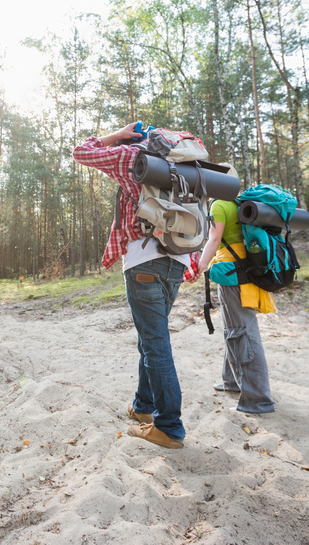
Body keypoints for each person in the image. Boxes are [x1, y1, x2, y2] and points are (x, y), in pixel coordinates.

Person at [72, 123, 201, 449]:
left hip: (144, 261)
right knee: (151, 339)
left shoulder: (131, 156)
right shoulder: (187, 168)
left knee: (156, 344)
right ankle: (144, 407)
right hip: (179, 261)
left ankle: (169, 426)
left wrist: (117, 135)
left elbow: (81, 152)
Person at [197, 177, 276, 414]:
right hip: (246, 272)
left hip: (233, 273)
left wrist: (198, 267)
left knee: (242, 332)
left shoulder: (219, 205)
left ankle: (257, 399)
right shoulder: (239, 204)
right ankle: (231, 381)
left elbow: (214, 239)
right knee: (235, 328)